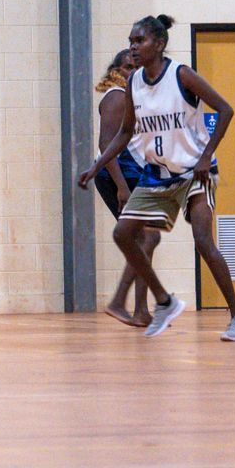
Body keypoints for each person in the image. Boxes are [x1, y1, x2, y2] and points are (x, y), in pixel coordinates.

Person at [78, 14, 235, 342]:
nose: (132, 47)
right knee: (123, 234)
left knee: (203, 239)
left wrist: (205, 155)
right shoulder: (133, 84)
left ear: (158, 44)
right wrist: (97, 165)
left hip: (195, 170)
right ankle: (164, 301)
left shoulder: (182, 75)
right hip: (159, 174)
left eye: (139, 41)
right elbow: (126, 132)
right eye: (130, 41)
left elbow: (226, 109)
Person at [91, 49, 156, 327]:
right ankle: (121, 302)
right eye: (128, 67)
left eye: (136, 67)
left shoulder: (134, 97)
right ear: (116, 70)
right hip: (118, 176)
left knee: (146, 239)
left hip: (134, 174)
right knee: (147, 238)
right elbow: (106, 144)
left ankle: (140, 310)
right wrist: (121, 187)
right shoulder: (116, 95)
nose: (133, 72)